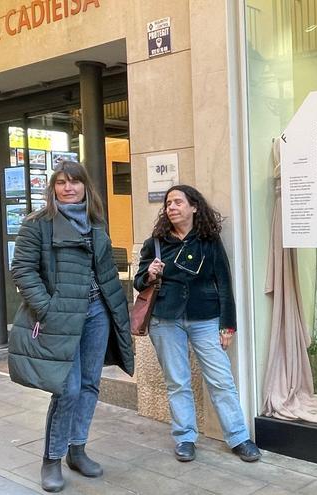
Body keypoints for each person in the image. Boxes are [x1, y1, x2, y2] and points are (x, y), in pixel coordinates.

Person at [9, 161, 134, 492]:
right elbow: (22, 269)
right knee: (69, 389)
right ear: (53, 188)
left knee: (91, 384)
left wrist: (117, 310)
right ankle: (52, 458)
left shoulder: (95, 223)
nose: (68, 188)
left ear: (84, 186)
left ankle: (77, 450)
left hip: (97, 313)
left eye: (74, 182)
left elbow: (104, 272)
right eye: (61, 182)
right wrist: (47, 308)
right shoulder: (38, 224)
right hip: (59, 318)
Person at [135, 185, 261, 462]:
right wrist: (149, 273)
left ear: (194, 207)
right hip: (165, 319)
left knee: (221, 380)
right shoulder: (155, 242)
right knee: (177, 382)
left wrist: (227, 325)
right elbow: (139, 282)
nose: (171, 207)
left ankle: (238, 437)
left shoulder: (209, 241)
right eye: (168, 203)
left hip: (205, 318)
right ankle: (185, 438)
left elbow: (224, 284)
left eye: (178, 202)